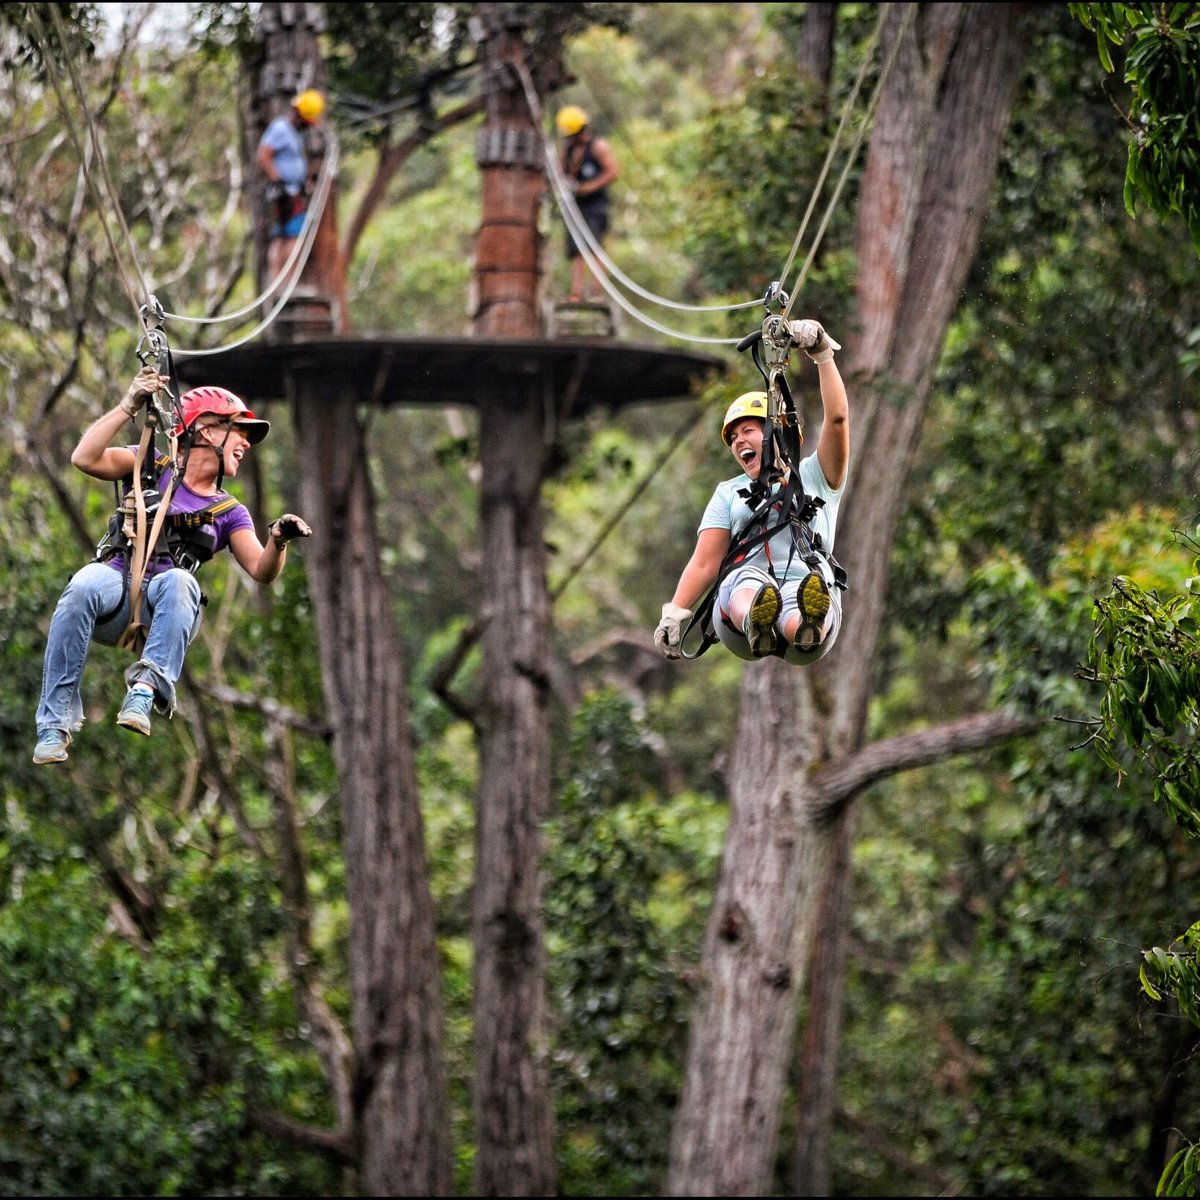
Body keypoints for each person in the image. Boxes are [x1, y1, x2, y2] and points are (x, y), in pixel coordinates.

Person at [32, 367, 312, 764]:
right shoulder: (148, 465)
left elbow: (262, 571)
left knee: (181, 581)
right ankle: (53, 724)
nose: (246, 445)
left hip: (163, 611)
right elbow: (84, 458)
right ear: (209, 431)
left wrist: (279, 540)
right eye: (240, 433)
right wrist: (129, 404)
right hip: (116, 585)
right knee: (80, 585)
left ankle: (146, 689)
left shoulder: (229, 512)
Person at [653, 320, 849, 665]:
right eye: (734, 439)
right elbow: (704, 562)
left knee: (803, 592)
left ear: (778, 430)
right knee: (746, 578)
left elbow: (837, 420)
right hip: (738, 614)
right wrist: (675, 611)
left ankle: (804, 624)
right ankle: (757, 620)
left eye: (748, 430)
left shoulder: (816, 477)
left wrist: (822, 355)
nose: (739, 442)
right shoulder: (729, 492)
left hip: (808, 584)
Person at [255, 88, 325, 287]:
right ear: (300, 115)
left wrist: (303, 181)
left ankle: (282, 283)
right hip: (284, 193)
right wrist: (280, 183)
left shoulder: (294, 133)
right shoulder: (281, 128)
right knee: (292, 238)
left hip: (293, 190)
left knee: (285, 236)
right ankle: (284, 283)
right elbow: (264, 156)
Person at [556, 104, 619, 303]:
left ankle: (597, 292)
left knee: (594, 247)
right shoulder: (567, 150)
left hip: (595, 206)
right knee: (576, 250)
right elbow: (559, 173)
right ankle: (576, 292)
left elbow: (613, 172)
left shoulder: (598, 147)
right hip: (575, 206)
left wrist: (590, 187)